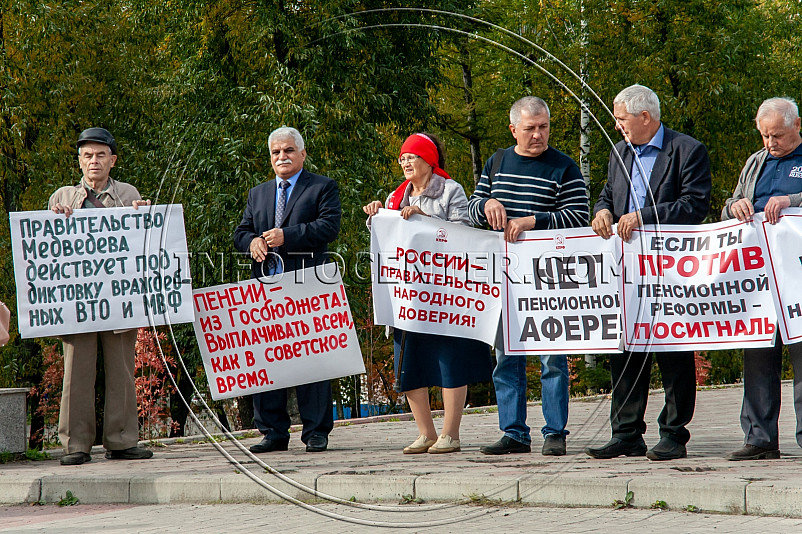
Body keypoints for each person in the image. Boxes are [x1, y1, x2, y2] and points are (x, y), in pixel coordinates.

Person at [586, 84, 711, 461]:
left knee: (672, 350)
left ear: (645, 117)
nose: (617, 126)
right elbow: (609, 192)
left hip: (670, 269)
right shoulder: (619, 151)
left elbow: (694, 205)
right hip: (627, 268)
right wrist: (602, 210)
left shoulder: (687, 150)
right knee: (624, 348)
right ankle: (626, 432)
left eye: (621, 119)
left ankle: (674, 433)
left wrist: (644, 217)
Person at [468, 96, 589, 456]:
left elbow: (579, 216)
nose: (538, 135)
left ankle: (555, 432)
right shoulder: (497, 161)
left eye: (543, 127)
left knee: (552, 359)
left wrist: (533, 222)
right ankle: (514, 432)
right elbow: (471, 210)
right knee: (507, 357)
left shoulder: (564, 167)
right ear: (513, 130)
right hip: (503, 277)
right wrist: (486, 204)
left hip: (550, 279)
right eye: (530, 128)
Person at [363, 133, 493, 454]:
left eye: (411, 156)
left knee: (449, 360)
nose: (405, 162)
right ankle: (426, 433)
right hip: (409, 297)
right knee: (410, 362)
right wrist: (375, 215)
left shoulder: (450, 190)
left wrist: (425, 219)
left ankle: (451, 433)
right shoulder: (396, 196)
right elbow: (386, 236)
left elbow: (463, 232)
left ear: (428, 160)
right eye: (402, 157)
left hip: (445, 294)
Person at [233, 126, 341, 453]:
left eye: (289, 150)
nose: (282, 156)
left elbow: (329, 227)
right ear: (270, 158)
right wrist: (251, 241)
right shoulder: (258, 193)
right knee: (268, 362)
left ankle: (316, 432)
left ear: (302, 154)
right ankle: (273, 432)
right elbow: (241, 232)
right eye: (276, 152)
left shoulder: (322, 186)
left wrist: (287, 236)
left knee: (313, 360)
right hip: (266, 291)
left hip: (309, 286)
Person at [50, 127, 153, 466]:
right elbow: (47, 247)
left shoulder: (128, 194)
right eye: (87, 155)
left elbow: (143, 243)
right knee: (77, 371)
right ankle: (76, 444)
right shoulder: (62, 197)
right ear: (79, 162)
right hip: (78, 300)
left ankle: (122, 440)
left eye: (100, 155)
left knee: (121, 369)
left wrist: (144, 216)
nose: (94, 161)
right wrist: (55, 219)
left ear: (113, 160)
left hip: (118, 299)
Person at [721, 97, 802, 460]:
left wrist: (792, 200)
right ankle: (759, 437)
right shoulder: (756, 161)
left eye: (779, 136)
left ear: (797, 125)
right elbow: (733, 202)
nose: (771, 143)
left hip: (796, 274)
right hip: (758, 276)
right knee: (756, 354)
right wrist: (733, 205)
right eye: (766, 135)